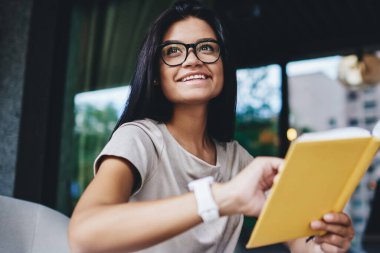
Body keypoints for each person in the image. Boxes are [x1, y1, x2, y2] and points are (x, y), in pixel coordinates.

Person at [68, 1, 355, 252]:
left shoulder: (235, 158)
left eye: (206, 48)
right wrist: (221, 198)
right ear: (156, 74)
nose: (192, 59)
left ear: (222, 67)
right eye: (173, 52)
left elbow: (298, 242)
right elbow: (84, 234)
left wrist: (323, 244)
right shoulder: (140, 138)